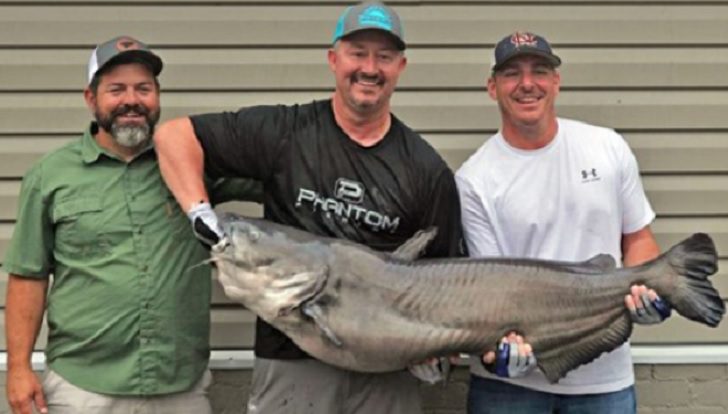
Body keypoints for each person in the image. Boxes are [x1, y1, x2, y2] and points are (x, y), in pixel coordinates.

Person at [153, 1, 464, 413]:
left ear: (400, 67)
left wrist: (439, 344)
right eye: (358, 53)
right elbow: (175, 136)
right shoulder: (285, 132)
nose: (370, 68)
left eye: (384, 57)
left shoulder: (427, 170)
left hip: (389, 373)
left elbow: (449, 278)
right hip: (291, 360)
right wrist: (200, 213)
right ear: (333, 59)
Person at [3, 35, 261, 414]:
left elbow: (279, 178)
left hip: (180, 386)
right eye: (116, 89)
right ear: (91, 99)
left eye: (144, 88)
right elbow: (28, 275)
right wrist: (19, 368)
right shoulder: (50, 175)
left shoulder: (193, 165)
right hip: (83, 387)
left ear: (157, 96)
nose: (131, 101)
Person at [455, 31, 671, 414]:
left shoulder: (607, 148)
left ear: (556, 81)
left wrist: (651, 288)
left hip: (605, 381)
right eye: (511, 74)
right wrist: (496, 350)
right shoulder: (474, 179)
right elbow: (489, 294)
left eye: (539, 71)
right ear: (492, 87)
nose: (527, 84)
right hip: (507, 388)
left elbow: (638, 239)